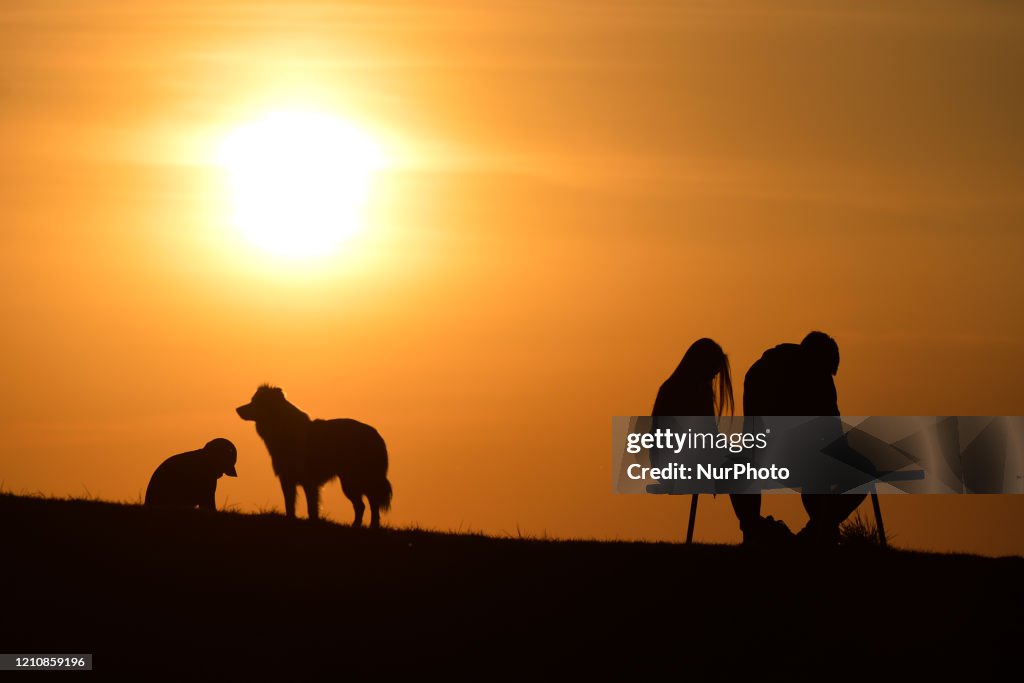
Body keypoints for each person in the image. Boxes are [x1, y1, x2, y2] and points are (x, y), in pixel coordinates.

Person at [729, 331, 865, 546]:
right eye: (824, 371)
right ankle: (764, 531)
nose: (826, 377)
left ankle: (816, 528)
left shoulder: (818, 380)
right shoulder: (768, 373)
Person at [650, 338, 733, 494]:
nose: (712, 380)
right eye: (711, 375)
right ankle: (750, 518)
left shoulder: (687, 389)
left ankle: (750, 517)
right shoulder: (677, 392)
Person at [145, 438, 238, 511]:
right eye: (222, 470)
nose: (221, 475)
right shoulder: (205, 470)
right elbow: (208, 509)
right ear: (217, 461)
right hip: (165, 514)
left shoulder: (191, 460)